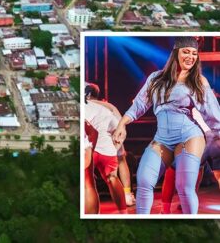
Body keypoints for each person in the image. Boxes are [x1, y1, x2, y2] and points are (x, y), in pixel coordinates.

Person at [113, 36, 220, 214]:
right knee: (144, 180)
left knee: (184, 187)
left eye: (194, 53)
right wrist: (121, 125)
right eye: (186, 52)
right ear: (175, 53)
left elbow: (213, 113)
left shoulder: (198, 81)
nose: (191, 57)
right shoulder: (156, 78)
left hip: (190, 136)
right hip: (162, 138)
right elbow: (139, 105)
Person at [85, 83, 135, 207]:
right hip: (110, 140)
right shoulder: (108, 106)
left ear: (88, 94)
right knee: (117, 166)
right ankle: (126, 196)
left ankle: (126, 196)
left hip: (99, 143)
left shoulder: (93, 105)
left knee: (89, 181)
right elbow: (120, 125)